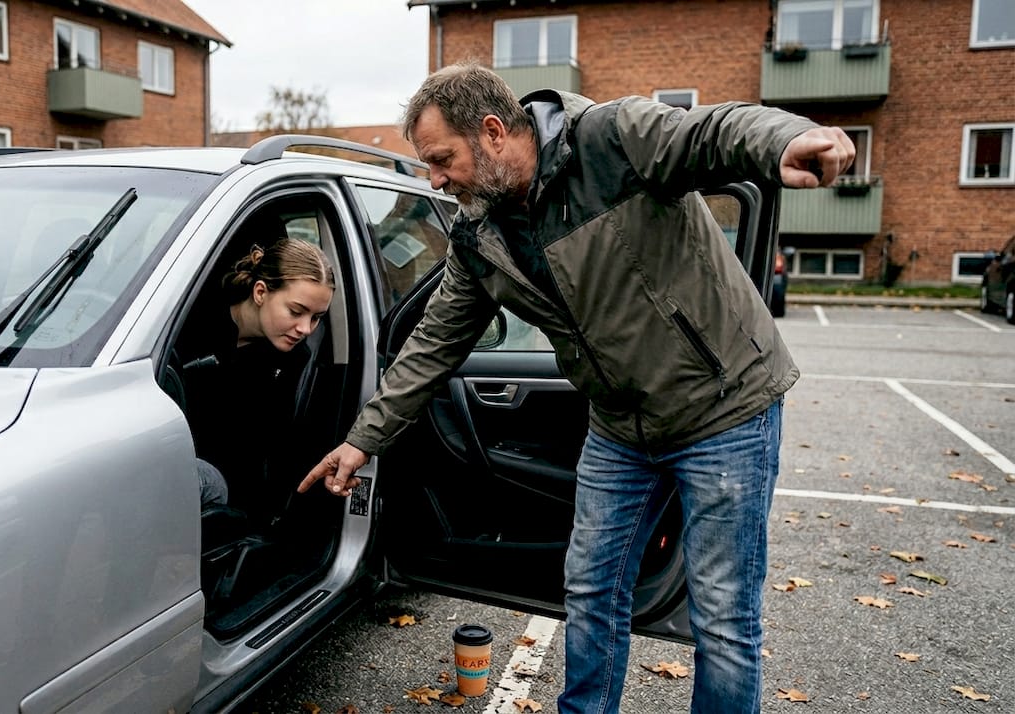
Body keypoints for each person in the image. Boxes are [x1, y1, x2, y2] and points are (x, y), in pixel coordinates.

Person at [296, 62, 854, 713]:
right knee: (590, 593)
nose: (436, 179)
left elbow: (713, 132)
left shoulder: (611, 138)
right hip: (619, 427)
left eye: (442, 159)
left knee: (724, 622)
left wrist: (786, 139)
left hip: (724, 410)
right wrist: (363, 442)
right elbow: (431, 345)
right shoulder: (480, 234)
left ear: (494, 131)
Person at [180, 237, 334, 511]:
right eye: (296, 312)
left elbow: (269, 451)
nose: (306, 329)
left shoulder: (294, 359)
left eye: (316, 317)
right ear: (260, 292)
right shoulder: (189, 319)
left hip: (221, 486)